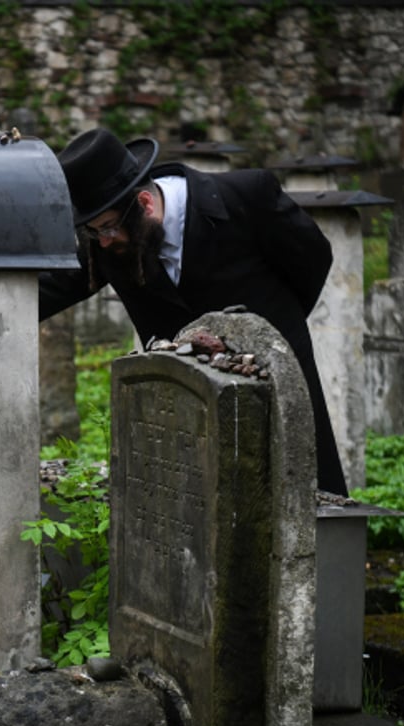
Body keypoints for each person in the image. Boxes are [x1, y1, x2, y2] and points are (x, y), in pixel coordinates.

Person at [40, 127, 348, 496]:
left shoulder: (248, 198)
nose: (102, 241)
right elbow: (48, 290)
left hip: (277, 387)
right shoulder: (109, 242)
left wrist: (281, 328)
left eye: (106, 229)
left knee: (303, 499)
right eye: (93, 232)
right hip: (187, 412)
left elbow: (313, 259)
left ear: (145, 204)